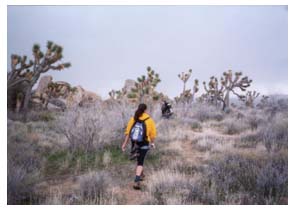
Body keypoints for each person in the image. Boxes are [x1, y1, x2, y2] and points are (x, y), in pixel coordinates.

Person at [122, 103, 157, 190]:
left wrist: (124, 144)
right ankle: (137, 180)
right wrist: (152, 143)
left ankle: (141, 175)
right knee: (140, 162)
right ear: (145, 110)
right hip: (144, 142)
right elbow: (153, 135)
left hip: (135, 143)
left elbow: (128, 133)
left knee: (139, 160)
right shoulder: (149, 120)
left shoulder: (133, 118)